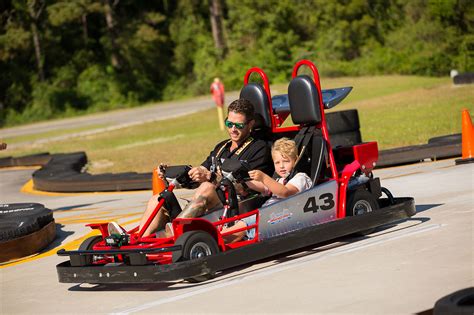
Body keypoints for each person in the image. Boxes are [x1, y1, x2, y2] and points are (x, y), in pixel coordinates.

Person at [108, 98, 273, 238]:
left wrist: (210, 178)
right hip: (205, 203)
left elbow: (248, 186)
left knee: (207, 187)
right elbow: (200, 173)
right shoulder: (221, 147)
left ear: (250, 124)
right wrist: (172, 174)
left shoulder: (259, 148)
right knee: (160, 198)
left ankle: (176, 232)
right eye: (229, 124)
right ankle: (135, 240)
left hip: (236, 206)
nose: (233, 129)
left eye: (239, 125)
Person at [222, 137, 312, 243]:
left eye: (286, 161)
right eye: (277, 163)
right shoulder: (280, 180)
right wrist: (242, 180)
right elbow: (263, 187)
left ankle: (218, 238)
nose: (281, 166)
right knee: (239, 218)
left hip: (285, 216)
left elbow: (285, 192)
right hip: (269, 216)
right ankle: (222, 236)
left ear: (296, 160)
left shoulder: (301, 178)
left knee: (245, 223)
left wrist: (264, 178)